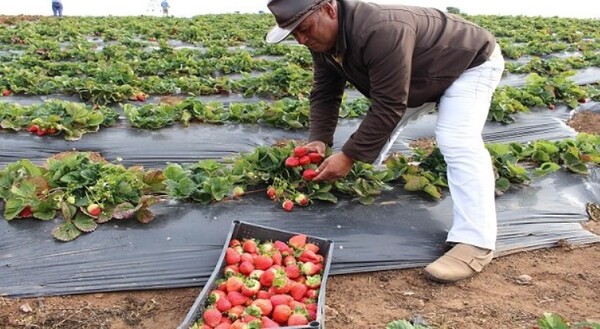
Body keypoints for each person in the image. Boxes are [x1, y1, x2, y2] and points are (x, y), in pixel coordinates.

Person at [265, 0, 505, 283]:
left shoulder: (381, 29)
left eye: (304, 29)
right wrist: (319, 140)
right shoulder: (324, 43)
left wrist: (349, 155)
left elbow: (390, 103)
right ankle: (361, 176)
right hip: (419, 75)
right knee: (377, 132)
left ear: (329, 9)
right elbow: (325, 93)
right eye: (294, 34)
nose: (302, 39)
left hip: (469, 63)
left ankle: (476, 242)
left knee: (457, 138)